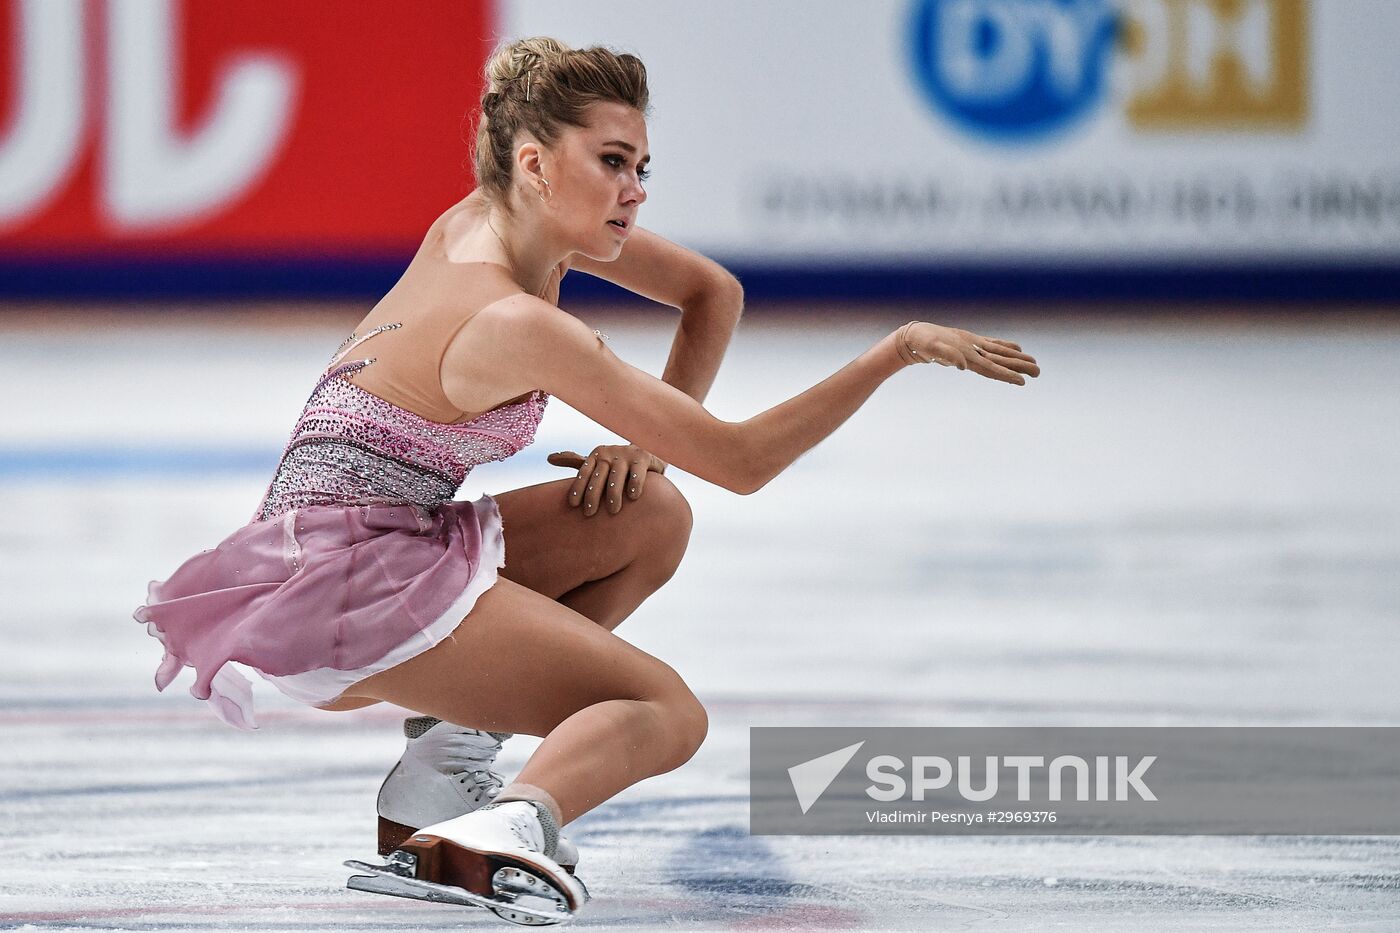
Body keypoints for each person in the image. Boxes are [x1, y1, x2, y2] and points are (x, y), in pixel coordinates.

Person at [133, 36, 1039, 925]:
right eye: (612, 162)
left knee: (647, 511)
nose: (635, 191)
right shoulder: (516, 320)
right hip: (347, 583)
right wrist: (896, 350)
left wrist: (648, 449)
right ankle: (499, 831)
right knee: (665, 711)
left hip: (364, 544)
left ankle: (443, 765)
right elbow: (745, 462)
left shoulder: (488, 220)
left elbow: (710, 292)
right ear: (535, 163)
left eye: (643, 164)